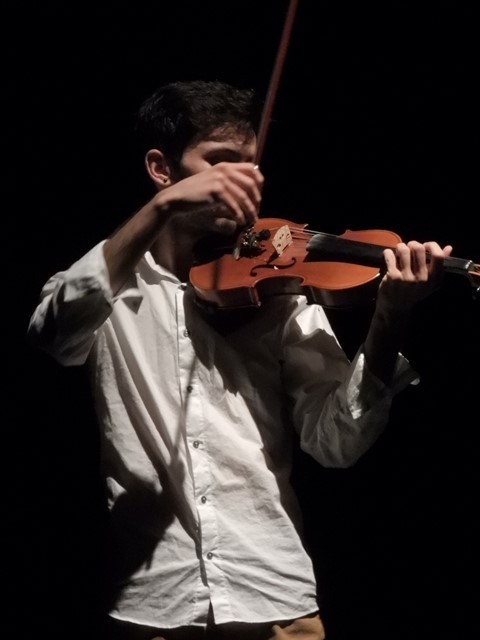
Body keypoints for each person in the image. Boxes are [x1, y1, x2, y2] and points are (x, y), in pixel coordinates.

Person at [27, 79, 452, 640]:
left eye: (251, 165)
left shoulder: (277, 289)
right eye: (221, 163)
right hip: (155, 604)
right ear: (161, 169)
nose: (244, 183)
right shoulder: (111, 285)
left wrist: (389, 317)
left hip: (274, 598)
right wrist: (160, 209)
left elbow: (336, 443)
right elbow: (53, 333)